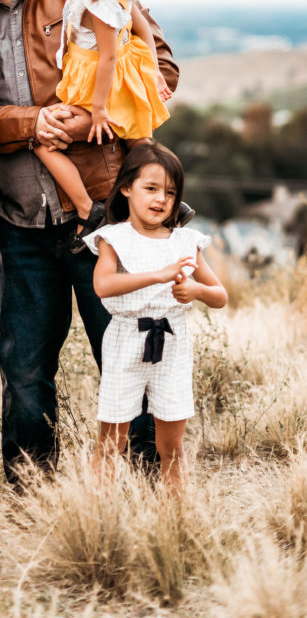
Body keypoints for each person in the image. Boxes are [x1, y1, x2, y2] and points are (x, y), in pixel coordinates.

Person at [0, 0, 179, 483]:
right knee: (24, 367)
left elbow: (160, 71)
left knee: (128, 355)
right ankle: (33, 494)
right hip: (18, 220)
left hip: (105, 212)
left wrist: (81, 119)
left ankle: (144, 487)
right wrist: (31, 122)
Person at [85, 141, 227, 490]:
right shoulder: (113, 238)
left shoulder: (185, 241)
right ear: (126, 188)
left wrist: (196, 291)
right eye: (151, 188)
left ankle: (175, 518)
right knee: (111, 439)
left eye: (170, 192)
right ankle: (94, 518)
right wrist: (159, 276)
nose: (161, 199)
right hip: (125, 340)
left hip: (173, 343)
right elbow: (103, 285)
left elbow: (220, 296)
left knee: (171, 445)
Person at [34, 0, 172, 252]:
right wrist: (152, 73)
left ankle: (88, 210)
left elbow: (107, 58)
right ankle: (169, 205)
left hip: (98, 85)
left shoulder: (97, 5)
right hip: (127, 80)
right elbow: (143, 31)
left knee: (44, 143)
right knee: (140, 144)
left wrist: (97, 111)